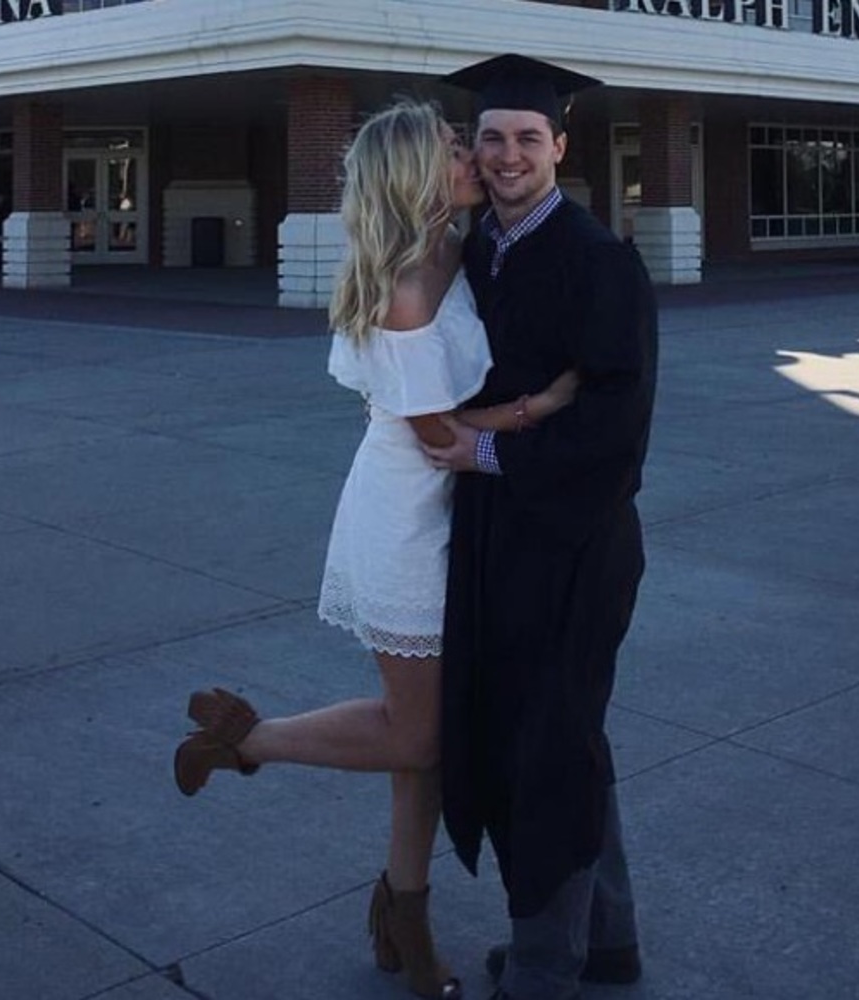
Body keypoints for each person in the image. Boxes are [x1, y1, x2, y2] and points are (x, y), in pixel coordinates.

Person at [171, 100, 578, 1000]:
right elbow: (439, 435)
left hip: (447, 515)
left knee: (424, 748)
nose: (473, 155)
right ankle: (249, 743)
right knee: (420, 732)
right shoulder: (406, 287)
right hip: (408, 521)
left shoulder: (449, 247)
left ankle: (405, 915)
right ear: (413, 174)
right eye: (452, 149)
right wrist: (541, 409)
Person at [424, 55, 659, 1000]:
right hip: (492, 537)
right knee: (556, 736)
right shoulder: (472, 250)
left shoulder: (600, 262)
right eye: (494, 138)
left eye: (529, 137)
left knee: (548, 748)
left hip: (573, 541)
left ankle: (541, 969)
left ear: (560, 146)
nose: (510, 153)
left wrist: (488, 450)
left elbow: (616, 428)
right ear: (475, 153)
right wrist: (519, 415)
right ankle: (608, 941)